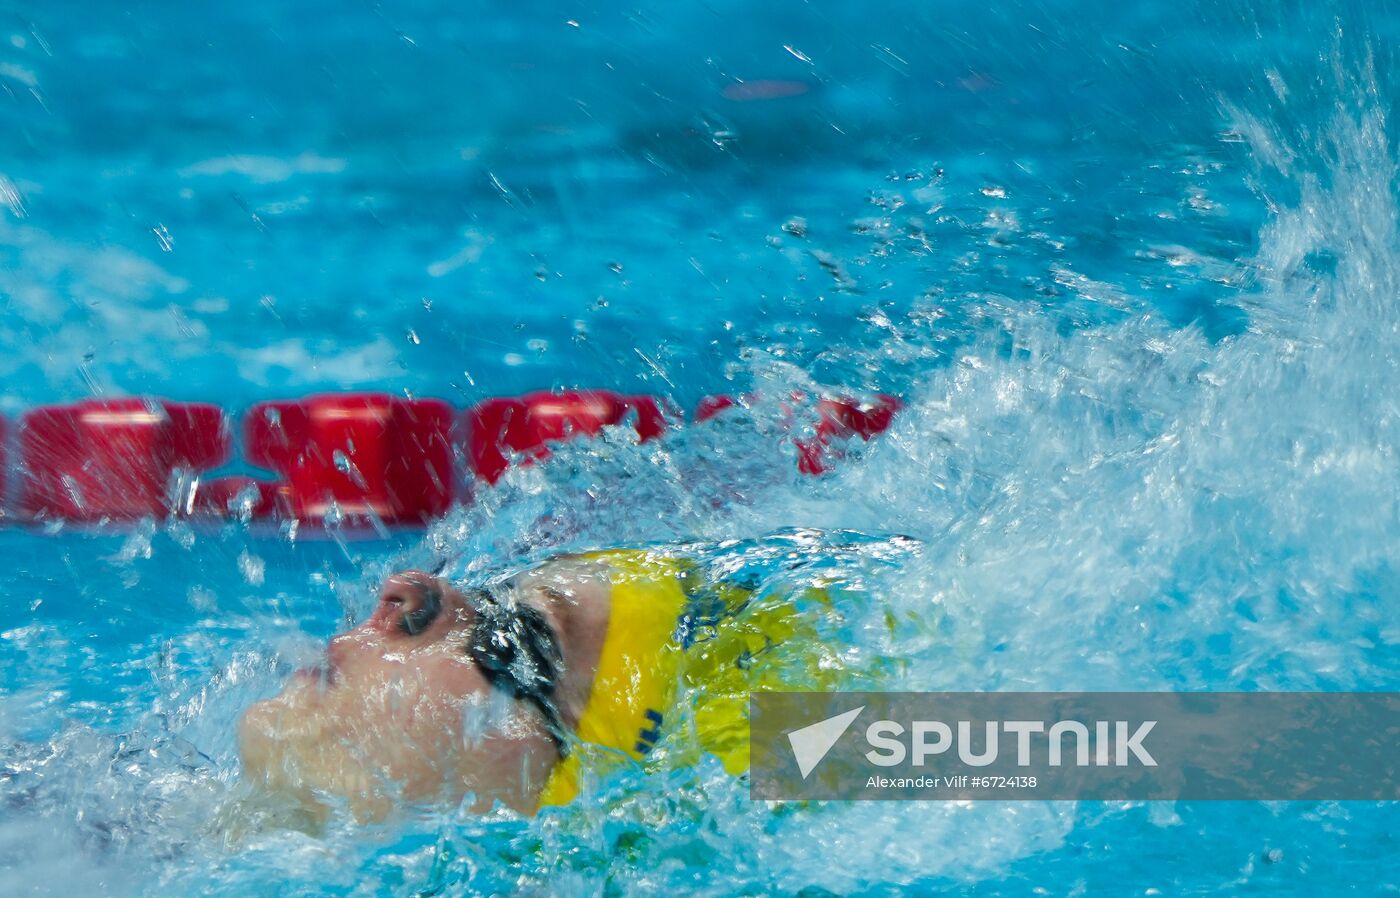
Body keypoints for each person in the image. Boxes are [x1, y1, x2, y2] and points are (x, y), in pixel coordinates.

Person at [238, 543, 860, 828]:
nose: (405, 591)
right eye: (510, 633)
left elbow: (952, 751)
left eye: (521, 639)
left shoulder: (802, 748)